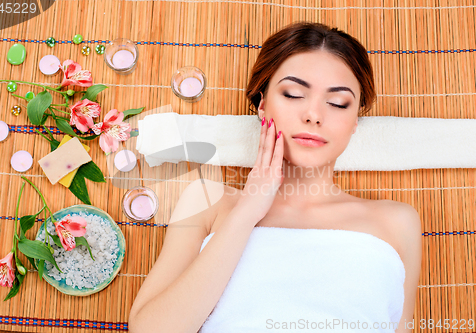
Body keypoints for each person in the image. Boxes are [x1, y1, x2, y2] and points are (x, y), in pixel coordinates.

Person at [128, 21, 422, 333]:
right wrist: (247, 212)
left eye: (337, 102)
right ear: (263, 105)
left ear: (354, 122)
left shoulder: (397, 222)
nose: (314, 114)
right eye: (294, 94)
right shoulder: (208, 202)